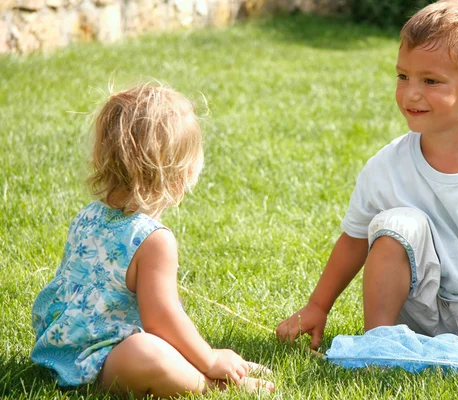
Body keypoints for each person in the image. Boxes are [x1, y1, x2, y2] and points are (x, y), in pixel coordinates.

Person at [277, 0, 458, 377]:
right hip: (417, 304)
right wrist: (318, 305)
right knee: (397, 222)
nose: (410, 93)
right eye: (402, 77)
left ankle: (439, 353)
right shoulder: (387, 165)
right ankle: (380, 342)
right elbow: (355, 239)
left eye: (430, 81)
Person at [31, 84, 275, 397]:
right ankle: (212, 383)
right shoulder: (154, 240)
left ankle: (214, 364)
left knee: (155, 344)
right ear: (181, 173)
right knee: (147, 352)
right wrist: (210, 359)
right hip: (104, 365)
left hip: (59, 351)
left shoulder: (89, 214)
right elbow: (161, 319)